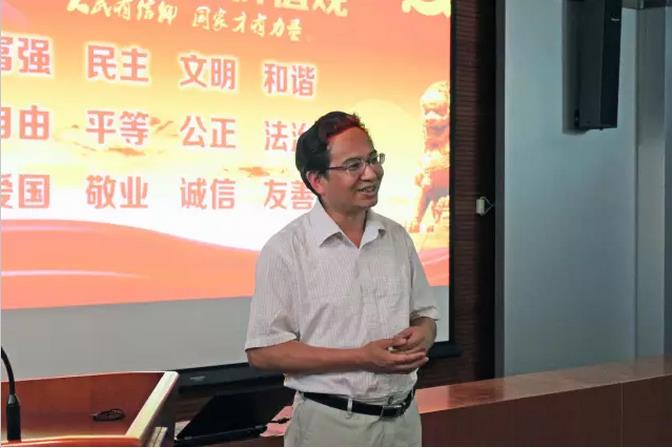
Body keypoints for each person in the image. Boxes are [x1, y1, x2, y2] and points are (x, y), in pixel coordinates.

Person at [245, 111, 439, 447]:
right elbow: (263, 352)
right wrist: (360, 357)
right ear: (317, 181)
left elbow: (425, 317)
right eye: (354, 166)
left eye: (373, 159)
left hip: (404, 421)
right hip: (331, 424)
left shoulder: (396, 237)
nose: (371, 173)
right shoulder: (287, 249)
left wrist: (423, 334)